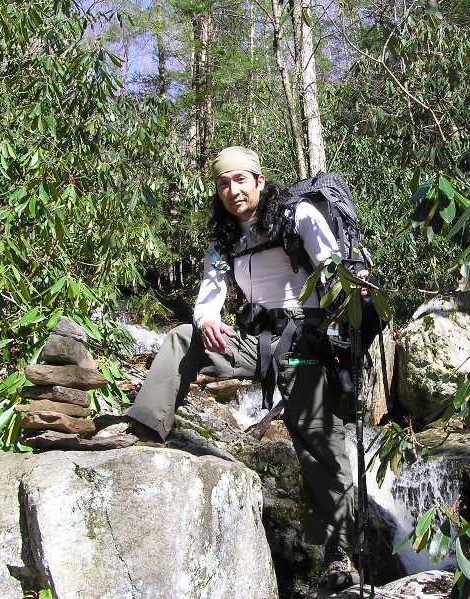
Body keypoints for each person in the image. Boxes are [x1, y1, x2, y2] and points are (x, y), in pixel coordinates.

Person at [126, 146, 359, 591]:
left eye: (240, 180)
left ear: (259, 181)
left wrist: (345, 319)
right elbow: (208, 297)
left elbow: (334, 271)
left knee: (320, 446)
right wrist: (207, 320)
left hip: (304, 341)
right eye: (223, 183)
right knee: (182, 338)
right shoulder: (225, 240)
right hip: (255, 342)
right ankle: (146, 431)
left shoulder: (299, 217)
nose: (232, 190)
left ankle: (340, 556)